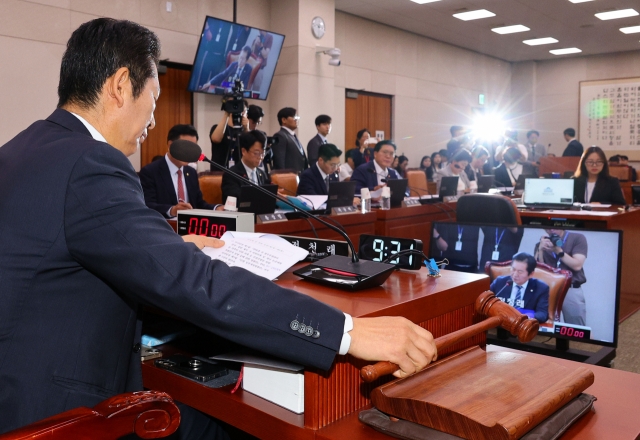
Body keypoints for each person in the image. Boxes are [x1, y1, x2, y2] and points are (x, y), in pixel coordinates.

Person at [0, 18, 438, 437]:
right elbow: (195, 282)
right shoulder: (89, 164)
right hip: (57, 412)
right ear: (119, 86)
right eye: (152, 100)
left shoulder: (24, 148)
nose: (152, 122)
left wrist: (167, 242)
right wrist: (350, 332)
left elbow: (64, 242)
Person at [139, 124, 215, 218]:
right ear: (170, 145)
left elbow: (199, 204)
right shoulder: (150, 172)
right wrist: (172, 210)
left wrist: (216, 208)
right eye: (185, 147)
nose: (189, 152)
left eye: (192, 148)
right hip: (165, 226)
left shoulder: (191, 172)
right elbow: (147, 205)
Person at [534, 229, 588, 325]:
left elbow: (577, 265)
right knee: (546, 324)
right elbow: (538, 271)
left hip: (570, 289)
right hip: (548, 289)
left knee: (577, 327)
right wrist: (540, 250)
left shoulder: (577, 238)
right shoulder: (542, 243)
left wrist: (558, 251)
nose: (551, 229)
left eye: (554, 226)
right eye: (547, 227)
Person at [490, 253, 550, 323]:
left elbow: (543, 314)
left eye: (520, 272)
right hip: (500, 324)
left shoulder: (541, 288)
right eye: (513, 269)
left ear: (531, 274)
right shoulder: (500, 282)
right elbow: (485, 301)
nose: (515, 274)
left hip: (524, 326)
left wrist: (526, 316)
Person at [221, 130, 271, 204]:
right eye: (256, 153)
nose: (260, 157)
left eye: (263, 153)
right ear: (244, 151)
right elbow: (235, 201)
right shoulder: (231, 174)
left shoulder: (262, 174)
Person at [209, 103, 250, 167]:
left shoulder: (245, 132)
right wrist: (226, 114)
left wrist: (247, 128)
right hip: (219, 172)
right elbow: (216, 139)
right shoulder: (217, 128)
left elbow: (250, 149)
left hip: (239, 173)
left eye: (243, 111)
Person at [271, 107, 308, 174]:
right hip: (288, 179)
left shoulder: (292, 135)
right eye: (294, 117)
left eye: (297, 117)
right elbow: (279, 161)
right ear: (284, 120)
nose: (296, 119)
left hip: (299, 178)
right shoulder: (280, 135)